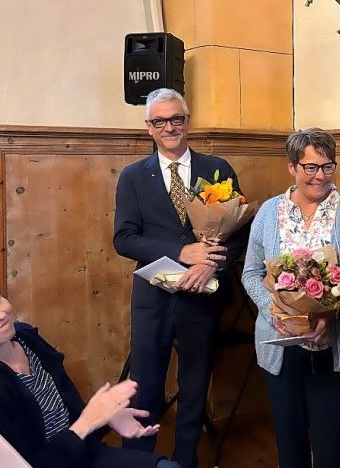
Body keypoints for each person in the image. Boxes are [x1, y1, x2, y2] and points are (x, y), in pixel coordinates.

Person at [113, 88, 250, 468]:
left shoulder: (217, 168)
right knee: (145, 388)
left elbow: (238, 233)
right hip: (152, 301)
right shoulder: (133, 177)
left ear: (188, 122)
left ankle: (185, 460)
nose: (169, 127)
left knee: (193, 387)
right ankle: (138, 461)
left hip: (201, 299)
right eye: (160, 121)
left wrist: (211, 265)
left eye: (176, 119)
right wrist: (180, 253)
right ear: (149, 128)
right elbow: (124, 239)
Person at [0, 274, 181, 468]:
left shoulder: (25, 337)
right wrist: (89, 421)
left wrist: (105, 417)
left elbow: (67, 417)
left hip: (81, 454)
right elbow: (28, 462)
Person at [241, 128, 340, 468]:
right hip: (279, 345)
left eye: (327, 166)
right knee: (290, 441)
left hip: (333, 346)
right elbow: (251, 273)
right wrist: (276, 312)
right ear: (292, 168)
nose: (320, 176)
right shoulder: (269, 212)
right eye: (310, 168)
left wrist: (330, 316)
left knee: (332, 446)